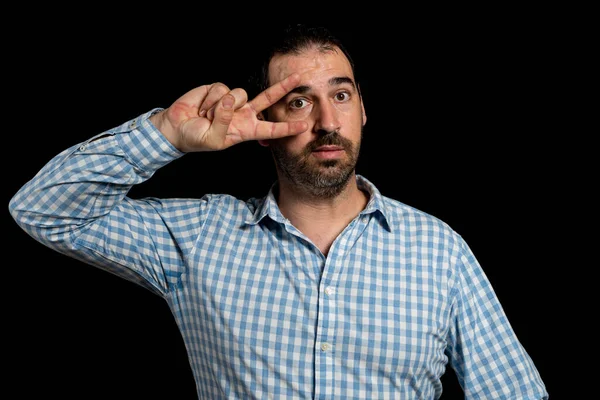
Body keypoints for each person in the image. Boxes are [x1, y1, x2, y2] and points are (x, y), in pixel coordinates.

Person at [9, 24, 548, 399]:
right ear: (262, 125)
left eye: (340, 96)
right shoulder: (198, 238)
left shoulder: (439, 250)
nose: (326, 121)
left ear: (363, 108)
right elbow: (44, 210)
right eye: (298, 101)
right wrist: (167, 136)